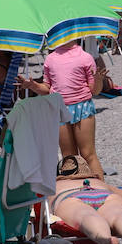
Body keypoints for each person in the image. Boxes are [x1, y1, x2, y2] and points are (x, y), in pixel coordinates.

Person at [20, 40, 103, 179]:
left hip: (82, 107)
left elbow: (94, 91)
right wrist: (33, 85)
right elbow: (47, 88)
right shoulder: (50, 59)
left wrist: (98, 80)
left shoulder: (85, 57)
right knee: (69, 157)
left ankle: (101, 188)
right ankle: (75, 189)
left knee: (88, 154)